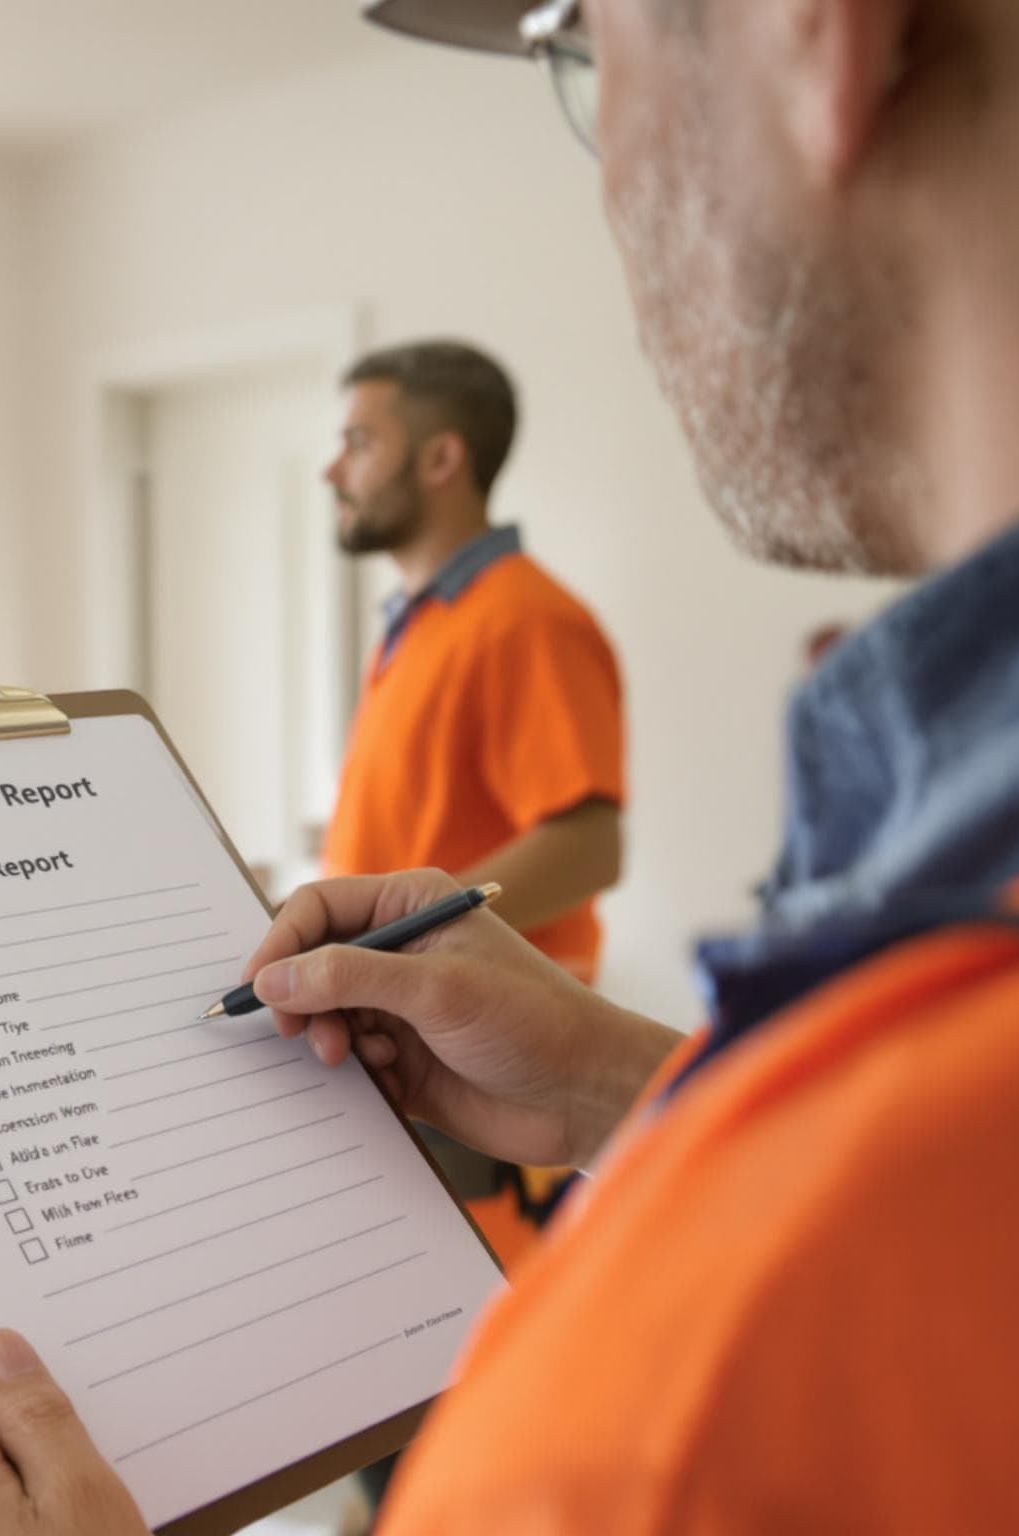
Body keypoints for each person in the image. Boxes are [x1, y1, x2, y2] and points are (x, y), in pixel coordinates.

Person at [0, 0, 1019, 1528]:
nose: (604, 174)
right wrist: (626, 1085)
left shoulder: (703, 1391)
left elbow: (589, 839)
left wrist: (430, 941)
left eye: (576, 45)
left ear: (815, 33)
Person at [320, 339, 623, 1274]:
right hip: (402, 1043)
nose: (333, 470)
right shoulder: (418, 628)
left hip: (474, 1064)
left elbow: (588, 845)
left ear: (441, 458)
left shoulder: (527, 621)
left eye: (359, 442)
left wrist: (393, 941)